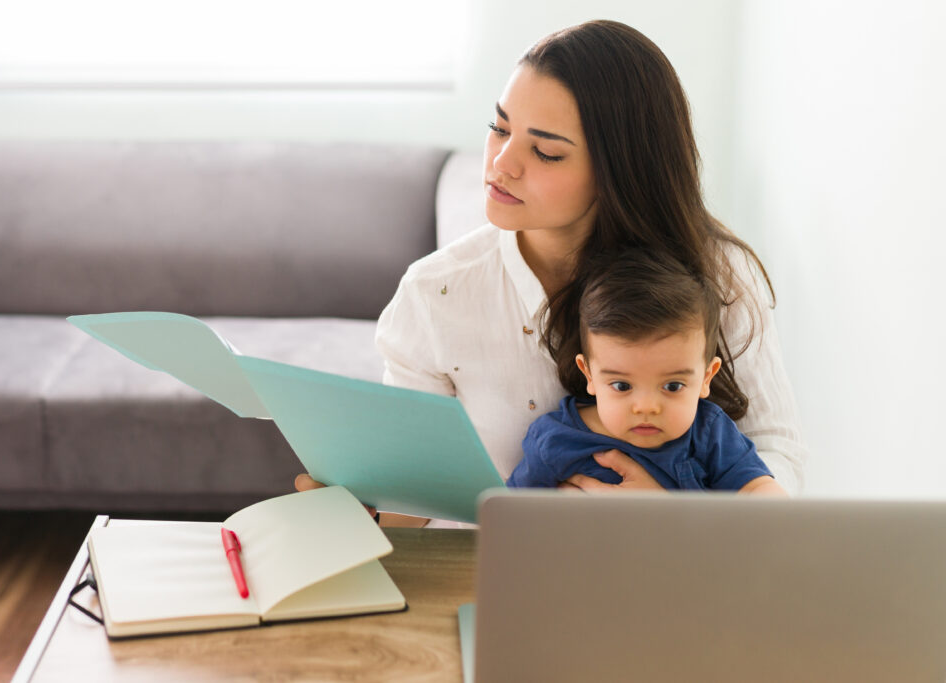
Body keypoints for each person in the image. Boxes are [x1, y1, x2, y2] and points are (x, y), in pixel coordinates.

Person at [296, 19, 806, 526]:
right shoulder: (437, 294)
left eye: (545, 152)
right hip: (501, 574)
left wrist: (672, 519)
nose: (502, 162)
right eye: (499, 128)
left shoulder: (718, 276)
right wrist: (361, 507)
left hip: (681, 577)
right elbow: (414, 506)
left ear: (620, 170)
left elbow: (775, 452)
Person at [507, 249, 786, 495]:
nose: (646, 407)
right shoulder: (555, 440)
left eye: (673, 386)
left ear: (706, 378)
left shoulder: (709, 433)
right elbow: (511, 517)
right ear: (589, 374)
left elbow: (757, 488)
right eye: (621, 386)